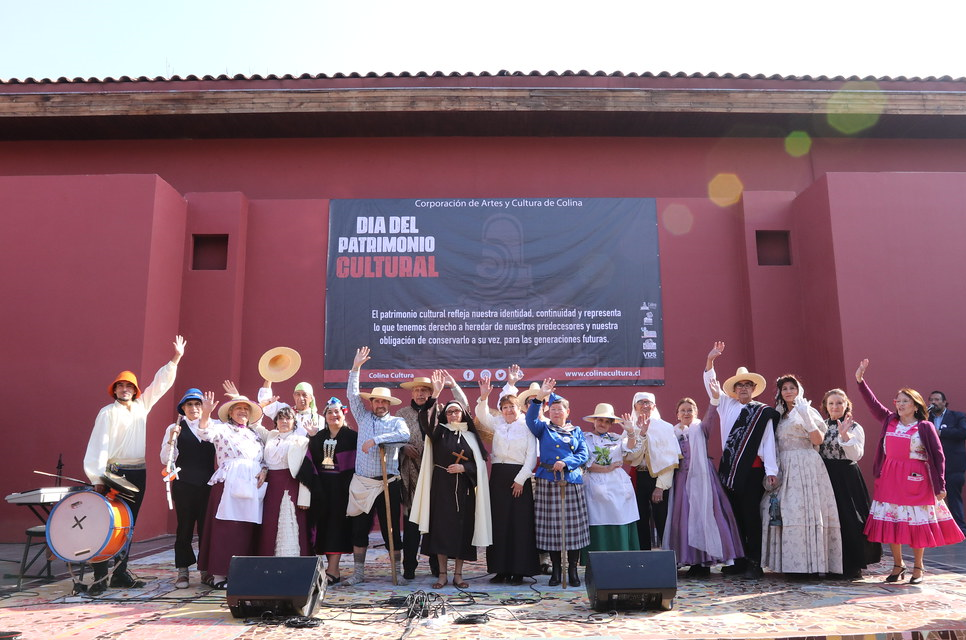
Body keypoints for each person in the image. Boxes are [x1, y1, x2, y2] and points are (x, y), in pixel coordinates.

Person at [83, 335, 186, 596]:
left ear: (135, 390)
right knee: (108, 523)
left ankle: (119, 573)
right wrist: (97, 477)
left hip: (138, 471)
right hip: (113, 473)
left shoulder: (141, 407)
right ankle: (99, 576)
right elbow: (99, 444)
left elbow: (159, 384)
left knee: (129, 524)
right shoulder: (108, 412)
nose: (126, 390)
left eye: (130, 386)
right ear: (115, 390)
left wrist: (175, 358)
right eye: (121, 386)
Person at [855, 359, 964, 584]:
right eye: (898, 401)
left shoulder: (925, 427)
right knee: (893, 522)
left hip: (917, 479)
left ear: (916, 405)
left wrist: (940, 485)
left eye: (905, 401)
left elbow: (938, 456)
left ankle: (918, 567)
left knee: (917, 523)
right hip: (890, 477)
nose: (900, 404)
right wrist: (860, 381)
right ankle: (898, 565)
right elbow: (873, 404)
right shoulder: (889, 421)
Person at [703, 341, 780, 579]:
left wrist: (771, 469)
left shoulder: (762, 412)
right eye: (740, 385)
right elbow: (710, 386)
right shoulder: (726, 405)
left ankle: (754, 563)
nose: (744, 388)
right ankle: (738, 559)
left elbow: (768, 442)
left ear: (753, 388)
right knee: (732, 516)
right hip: (729, 469)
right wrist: (710, 361)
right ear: (734, 389)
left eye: (748, 385)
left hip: (752, 470)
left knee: (750, 516)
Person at [411, 370, 491, 589]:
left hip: (464, 492)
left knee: (462, 534)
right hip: (441, 490)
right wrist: (436, 395)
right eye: (449, 412)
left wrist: (464, 467)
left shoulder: (471, 436)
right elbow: (426, 422)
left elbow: (480, 464)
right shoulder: (439, 432)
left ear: (462, 415)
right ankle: (442, 575)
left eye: (456, 412)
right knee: (440, 533)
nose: (453, 415)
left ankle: (458, 574)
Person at [760, 375, 842, 575]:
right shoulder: (779, 414)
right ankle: (789, 565)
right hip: (785, 465)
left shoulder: (807, 410)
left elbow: (818, 439)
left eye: (792, 387)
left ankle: (812, 566)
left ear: (799, 390)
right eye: (784, 388)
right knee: (782, 512)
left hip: (805, 464)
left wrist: (807, 417)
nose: (788, 391)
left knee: (805, 511)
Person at [344, 346, 411, 586]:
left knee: (391, 530)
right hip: (363, 482)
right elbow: (352, 395)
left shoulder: (397, 421)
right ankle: (359, 573)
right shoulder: (363, 417)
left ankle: (397, 572)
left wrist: (377, 440)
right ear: (371, 402)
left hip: (387, 483)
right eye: (376, 400)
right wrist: (355, 368)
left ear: (389, 404)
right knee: (359, 528)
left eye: (384, 401)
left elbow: (404, 436)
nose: (380, 404)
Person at [662, 389, 744, 577]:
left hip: (703, 479)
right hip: (682, 480)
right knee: (684, 519)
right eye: (682, 410)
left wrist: (714, 400)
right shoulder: (672, 433)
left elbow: (711, 417)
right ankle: (692, 560)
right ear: (677, 414)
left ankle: (705, 561)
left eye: (690, 410)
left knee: (707, 516)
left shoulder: (701, 428)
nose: (686, 413)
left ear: (696, 413)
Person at [397, 372, 468, 580]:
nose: (420, 394)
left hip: (436, 473)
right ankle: (409, 566)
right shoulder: (401, 413)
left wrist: (453, 384)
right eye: (417, 390)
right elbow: (393, 437)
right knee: (411, 523)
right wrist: (403, 447)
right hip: (410, 473)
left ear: (431, 393)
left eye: (424, 390)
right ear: (412, 392)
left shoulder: (441, 411)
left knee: (435, 522)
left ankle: (437, 568)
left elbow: (465, 407)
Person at [196, 392, 267, 589]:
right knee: (226, 528)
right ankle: (219, 575)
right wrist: (205, 414)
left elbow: (262, 459)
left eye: (246, 409)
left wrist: (264, 470)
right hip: (229, 482)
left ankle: (243, 572)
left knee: (246, 529)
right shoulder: (222, 429)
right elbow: (204, 433)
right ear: (230, 413)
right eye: (238, 408)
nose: (242, 412)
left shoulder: (255, 435)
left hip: (252, 485)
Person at [475, 371, 540, 585]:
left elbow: (531, 456)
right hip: (499, 476)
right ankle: (500, 569)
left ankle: (519, 570)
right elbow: (482, 415)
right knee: (500, 523)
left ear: (519, 408)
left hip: (519, 477)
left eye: (512, 406)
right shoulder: (498, 424)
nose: (508, 410)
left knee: (519, 525)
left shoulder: (528, 425)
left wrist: (521, 479)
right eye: (504, 407)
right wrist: (484, 397)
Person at [526, 378, 590, 587]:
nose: (555, 412)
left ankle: (572, 570)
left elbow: (583, 453)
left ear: (567, 412)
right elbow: (530, 420)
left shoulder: (576, 431)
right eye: (552, 409)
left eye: (559, 409)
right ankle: (556, 570)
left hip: (571, 481)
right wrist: (539, 397)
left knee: (573, 529)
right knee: (551, 528)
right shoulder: (543, 429)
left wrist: (566, 462)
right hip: (548, 481)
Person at [818, 388, 881, 579]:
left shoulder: (854, 427)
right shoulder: (820, 425)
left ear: (846, 405)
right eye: (831, 403)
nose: (835, 406)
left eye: (839, 403)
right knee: (828, 520)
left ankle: (852, 565)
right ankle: (830, 564)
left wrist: (845, 436)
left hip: (847, 476)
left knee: (850, 519)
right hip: (825, 475)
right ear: (826, 406)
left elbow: (856, 454)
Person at [160, 387, 216, 589]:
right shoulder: (175, 428)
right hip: (184, 485)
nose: (194, 408)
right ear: (183, 408)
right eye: (189, 404)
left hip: (208, 485)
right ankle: (182, 571)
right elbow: (165, 459)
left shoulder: (214, 425)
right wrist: (170, 440)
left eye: (197, 404)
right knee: (184, 528)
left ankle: (205, 571)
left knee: (205, 529)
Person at [581, 403, 642, 556]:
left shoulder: (616, 438)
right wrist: (606, 469)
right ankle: (597, 563)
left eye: (607, 421)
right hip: (595, 485)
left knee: (621, 518)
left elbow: (630, 447)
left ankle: (622, 560)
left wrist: (630, 432)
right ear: (594, 421)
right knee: (597, 519)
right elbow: (585, 462)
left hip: (618, 486)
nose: (603, 424)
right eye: (600, 420)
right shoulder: (584, 438)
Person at [308, 397, 357, 585]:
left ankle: (333, 570)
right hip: (322, 488)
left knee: (337, 528)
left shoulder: (352, 437)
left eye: (337, 412)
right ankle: (329, 568)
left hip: (343, 488)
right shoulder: (319, 436)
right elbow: (311, 461)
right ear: (325, 416)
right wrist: (311, 438)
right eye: (329, 412)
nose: (333, 415)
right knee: (324, 527)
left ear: (343, 414)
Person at [254, 404, 314, 557]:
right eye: (280, 418)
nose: (284, 421)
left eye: (288, 418)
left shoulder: (301, 440)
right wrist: (262, 405)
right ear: (276, 421)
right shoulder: (271, 436)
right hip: (271, 485)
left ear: (294, 421)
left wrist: (305, 497)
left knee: (290, 521)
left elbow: (307, 469)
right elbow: (255, 424)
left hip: (291, 483)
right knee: (269, 522)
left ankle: (294, 560)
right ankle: (268, 560)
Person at [624, 392, 679, 550]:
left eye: (648, 402)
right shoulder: (630, 427)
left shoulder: (666, 427)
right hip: (639, 477)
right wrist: (639, 433)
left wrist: (660, 487)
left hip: (659, 480)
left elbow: (670, 460)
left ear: (654, 406)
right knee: (640, 520)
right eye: (641, 402)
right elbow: (630, 456)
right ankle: (644, 560)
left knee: (663, 520)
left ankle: (668, 559)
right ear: (635, 406)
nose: (645, 405)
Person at [928, 391, 966, 534]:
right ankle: (934, 529)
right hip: (932, 466)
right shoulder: (926, 418)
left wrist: (942, 433)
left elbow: (963, 432)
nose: (934, 402)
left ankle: (960, 530)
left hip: (953, 465)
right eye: (931, 400)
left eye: (937, 399)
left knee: (954, 497)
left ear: (944, 402)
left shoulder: (958, 416)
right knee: (931, 498)